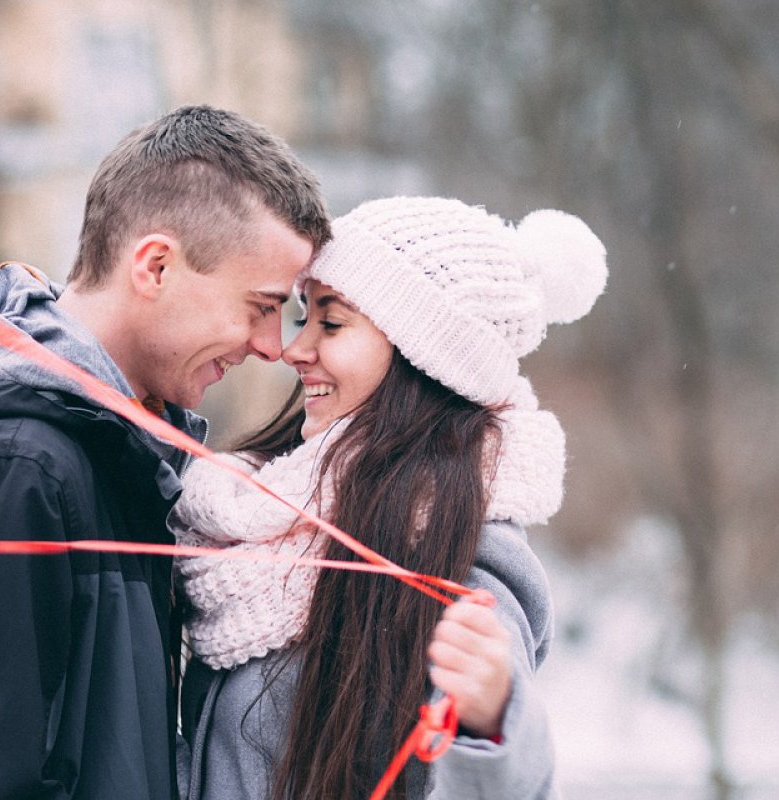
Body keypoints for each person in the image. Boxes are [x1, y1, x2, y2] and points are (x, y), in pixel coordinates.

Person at [0, 105, 331, 800]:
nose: (273, 346)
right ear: (155, 266)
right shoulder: (10, 469)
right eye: (260, 306)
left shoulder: (107, 454)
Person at [174, 196, 607, 799]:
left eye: (331, 322)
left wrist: (490, 721)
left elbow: (504, 781)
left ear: (424, 357)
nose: (296, 349)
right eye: (306, 317)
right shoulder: (250, 516)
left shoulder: (462, 554)